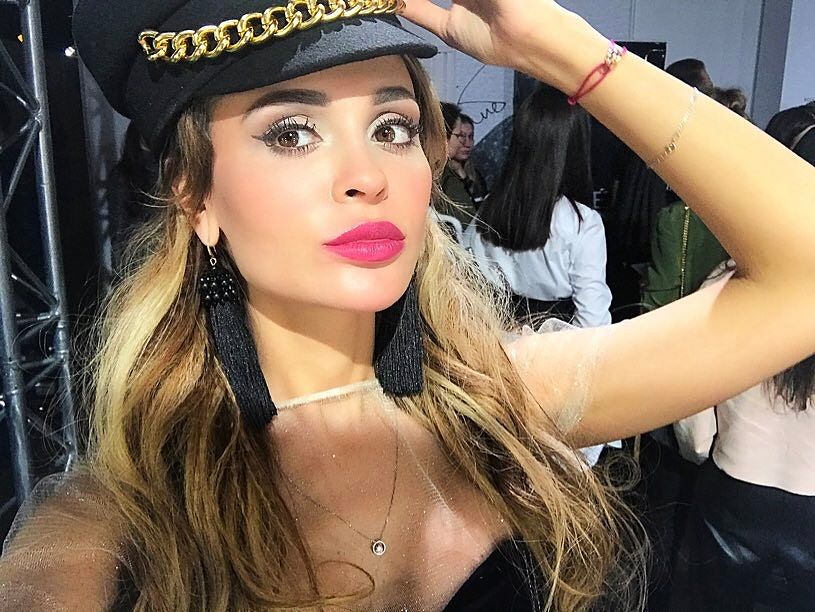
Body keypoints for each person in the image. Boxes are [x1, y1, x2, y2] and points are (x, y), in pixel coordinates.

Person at [2, 2, 815, 611]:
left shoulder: (505, 397)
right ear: (195, 196)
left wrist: (560, 50)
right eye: (292, 132)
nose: (368, 175)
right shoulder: (111, 532)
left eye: (392, 128)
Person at [464, 83, 611, 328]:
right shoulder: (582, 223)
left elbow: (465, 272)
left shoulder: (491, 208)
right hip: (556, 343)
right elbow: (593, 321)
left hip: (497, 336)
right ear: (575, 146)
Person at [437, 102, 488, 230]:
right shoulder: (443, 177)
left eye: (471, 137)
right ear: (444, 136)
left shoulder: (474, 175)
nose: (466, 143)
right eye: (460, 136)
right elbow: (469, 223)